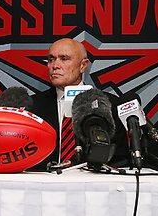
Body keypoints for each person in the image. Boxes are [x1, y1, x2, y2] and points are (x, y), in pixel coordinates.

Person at [29, 38, 129, 170]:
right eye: (51, 59)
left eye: (64, 59)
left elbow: (120, 159)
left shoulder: (109, 104)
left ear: (83, 65)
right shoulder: (31, 106)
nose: (55, 65)